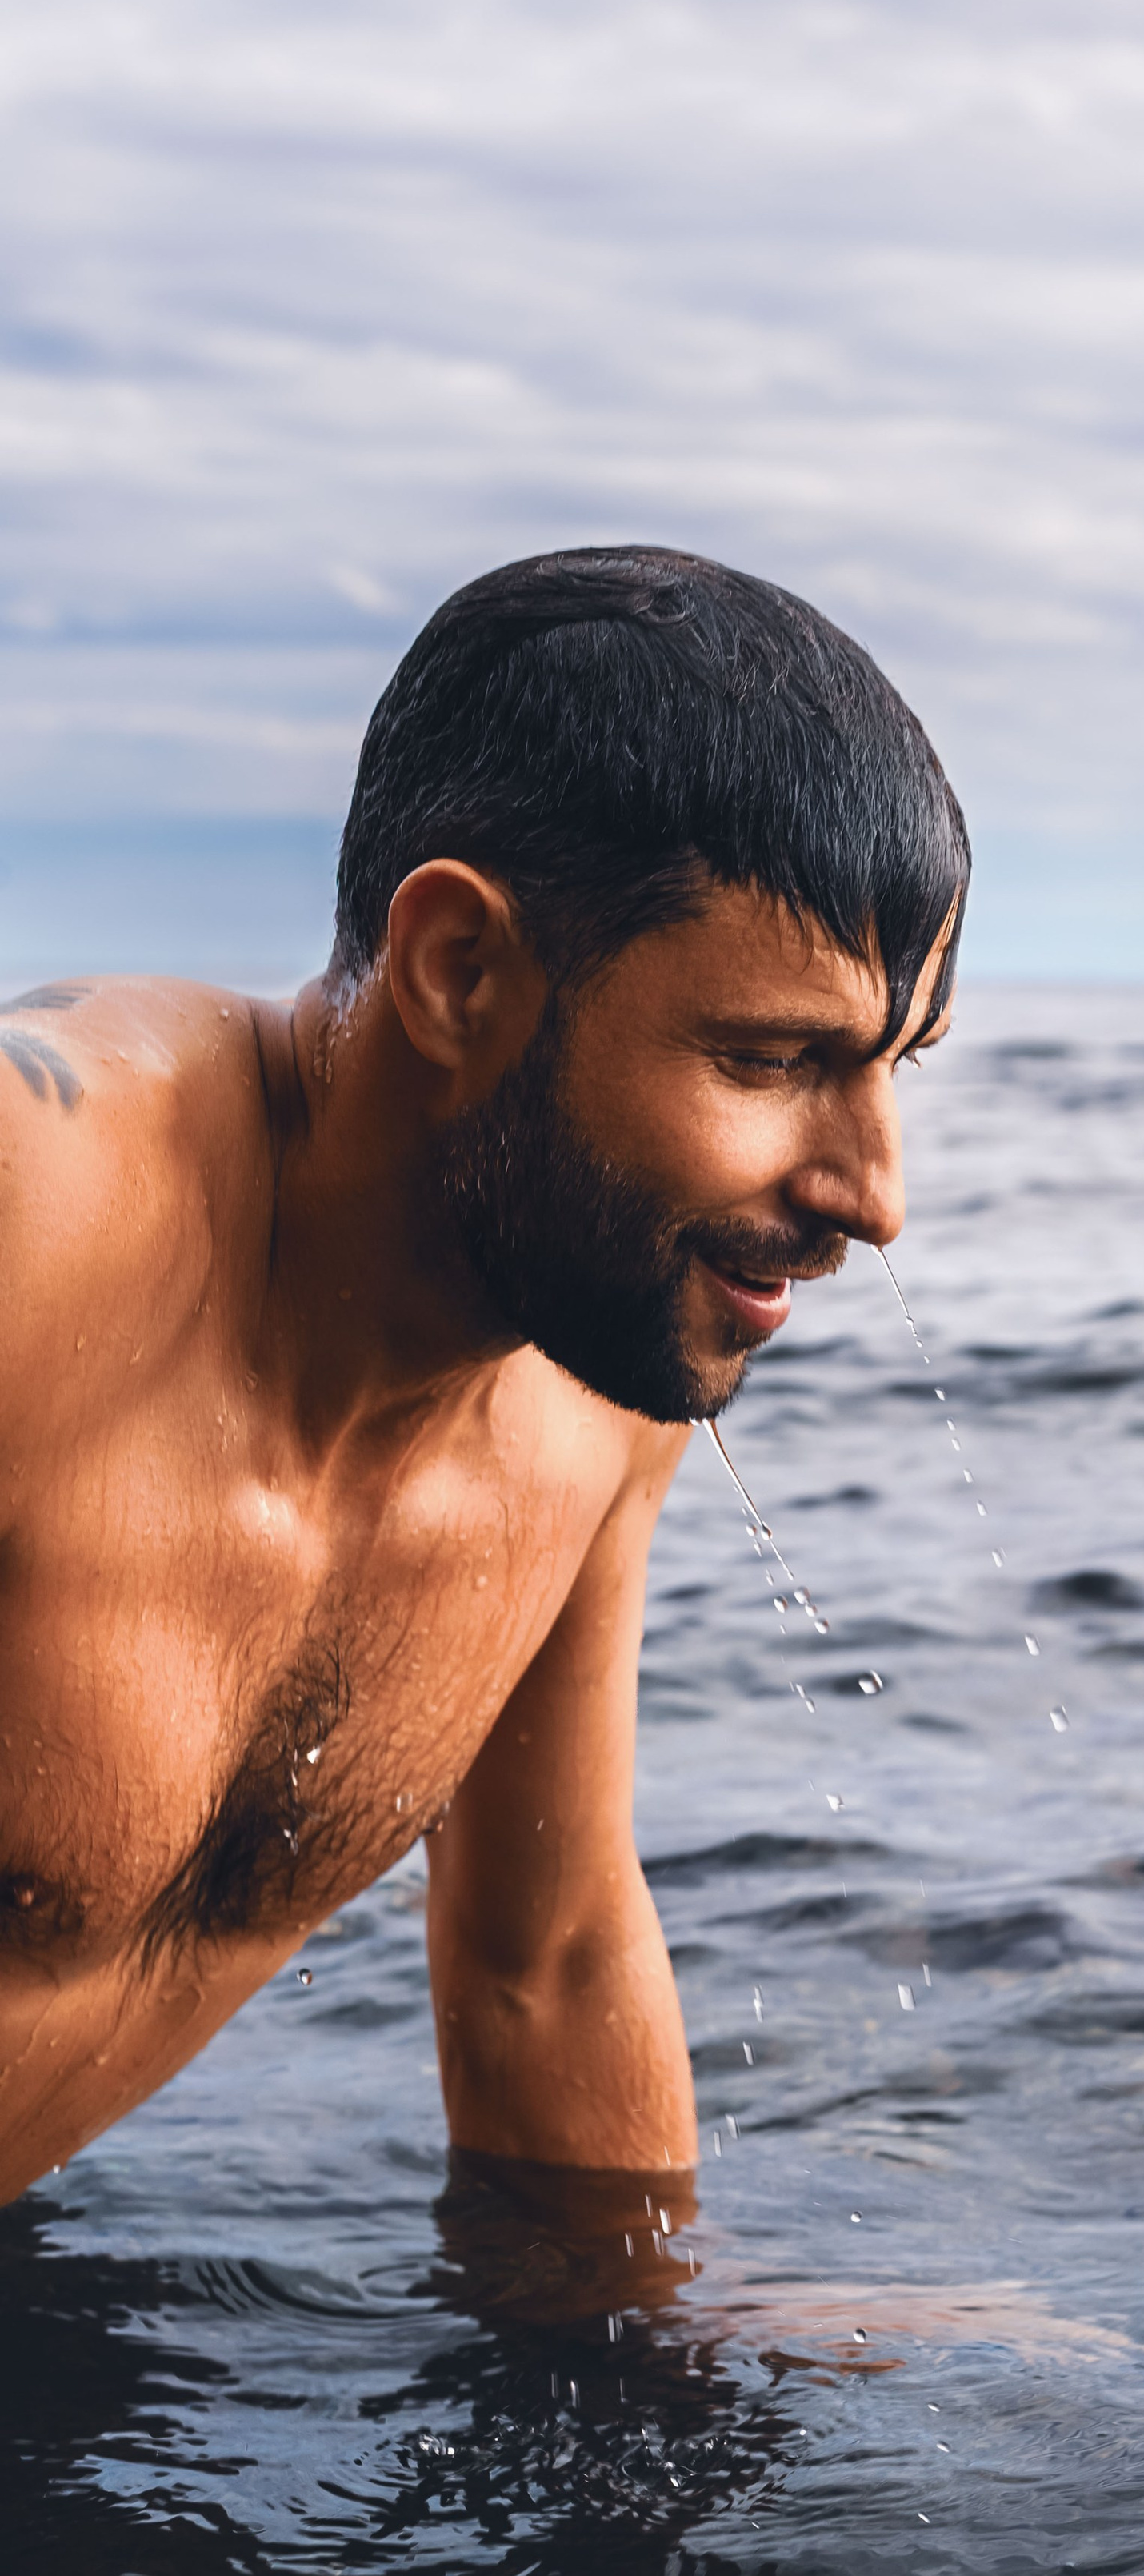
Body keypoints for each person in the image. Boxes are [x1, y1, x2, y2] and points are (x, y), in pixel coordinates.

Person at [0, 546, 968, 2207]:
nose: (874, 1197)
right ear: (457, 972)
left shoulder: (588, 1392)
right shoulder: (44, 1210)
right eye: (766, 1059)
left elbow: (550, 1956)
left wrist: (659, 2377)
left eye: (889, 1068)